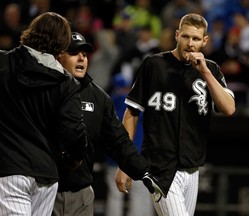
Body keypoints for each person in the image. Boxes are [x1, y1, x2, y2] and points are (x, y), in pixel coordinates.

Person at [114, 13, 236, 216]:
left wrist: (205, 72)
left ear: (205, 41)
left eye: (196, 39)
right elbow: (131, 113)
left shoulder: (211, 69)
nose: (190, 43)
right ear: (177, 35)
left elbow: (229, 108)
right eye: (186, 36)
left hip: (192, 168)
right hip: (159, 167)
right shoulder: (153, 65)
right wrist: (125, 162)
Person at [53, 32, 164, 216]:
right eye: (74, 52)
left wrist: (142, 170)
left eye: (85, 53)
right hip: (45, 188)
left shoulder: (99, 98)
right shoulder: (43, 90)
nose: (81, 57)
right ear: (58, 56)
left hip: (81, 191)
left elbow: (118, 140)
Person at [0, 12, 87, 216]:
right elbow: (73, 131)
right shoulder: (67, 83)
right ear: (63, 43)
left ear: (31, 32)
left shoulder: (3, 64)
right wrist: (75, 158)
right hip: (46, 176)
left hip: (10, 169)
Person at [105, 74, 155, 216]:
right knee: (140, 194)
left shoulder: (108, 102)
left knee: (114, 195)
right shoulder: (136, 103)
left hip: (114, 158)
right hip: (137, 156)